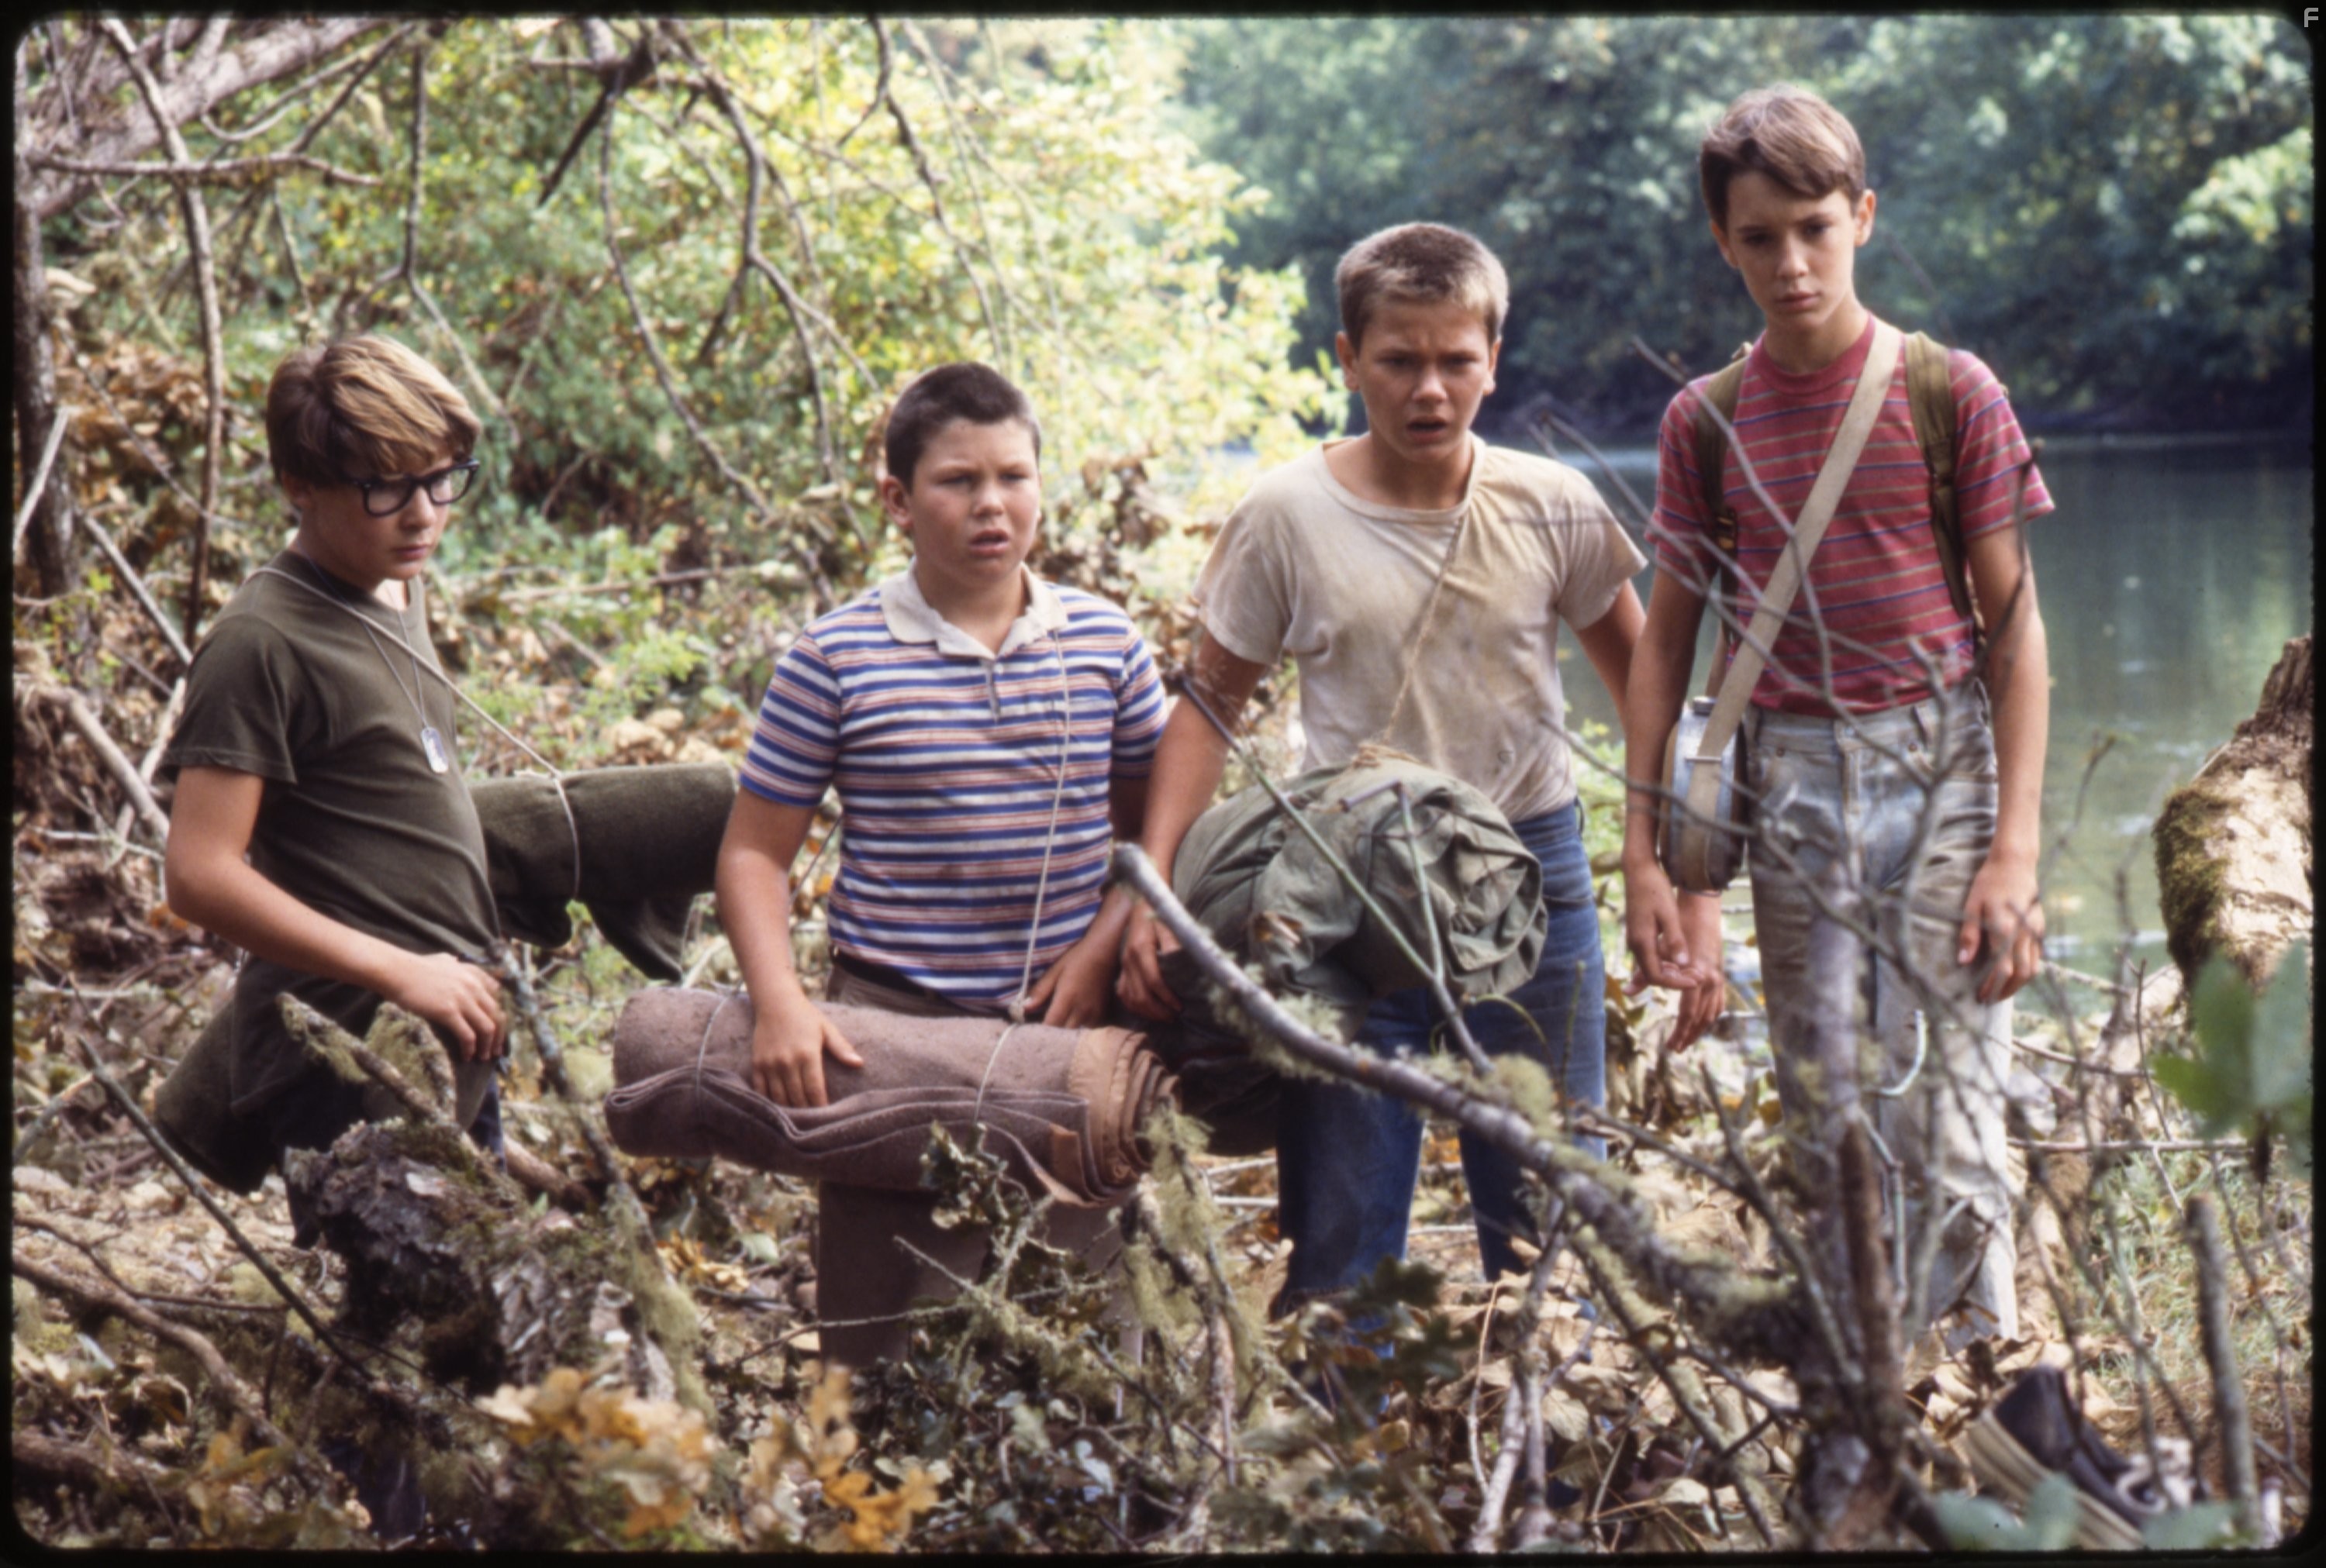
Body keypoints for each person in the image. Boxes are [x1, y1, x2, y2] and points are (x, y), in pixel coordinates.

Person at [1116, 222, 1655, 1316]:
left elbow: (1644, 687)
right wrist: (1154, 890)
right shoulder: (1285, 513)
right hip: (1348, 882)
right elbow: (1211, 702)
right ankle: (1347, 1441)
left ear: (1494, 358)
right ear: (1349, 358)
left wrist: (1663, 870)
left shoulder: (1553, 503)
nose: (1430, 387)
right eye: (1400, 359)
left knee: (1553, 1203)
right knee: (1347, 1217)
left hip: (1527, 870)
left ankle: (1561, 1435)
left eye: (1457, 359)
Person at [1620, 85, 2053, 1351]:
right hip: (1793, 777)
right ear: (1724, 241)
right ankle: (1866, 1390)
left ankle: (1981, 1387)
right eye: (1761, 238)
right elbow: (1666, 647)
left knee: (1957, 1101)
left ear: (1863, 216)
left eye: (1815, 226)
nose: (1791, 262)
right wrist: (1648, 851)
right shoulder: (1702, 419)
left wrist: (2016, 852)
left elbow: (2019, 637)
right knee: (1829, 1112)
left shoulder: (1945, 389)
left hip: (1946, 760)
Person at [716, 360, 1166, 1362]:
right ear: (899, 499)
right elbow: (752, 853)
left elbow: (1148, 844)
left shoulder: (1103, 644)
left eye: (1014, 475)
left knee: (1082, 1335)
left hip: (1065, 1024)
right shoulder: (835, 656)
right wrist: (784, 1002)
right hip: (889, 1028)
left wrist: (1100, 947)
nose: (991, 504)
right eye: (959, 480)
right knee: (880, 1334)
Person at [163, 335, 508, 1197]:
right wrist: (401, 968)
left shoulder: (394, 580)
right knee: (407, 1320)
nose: (423, 513)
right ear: (299, 487)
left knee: (499, 1309)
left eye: (440, 477)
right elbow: (198, 875)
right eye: (384, 487)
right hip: (341, 1053)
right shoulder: (260, 643)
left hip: (445, 1020)